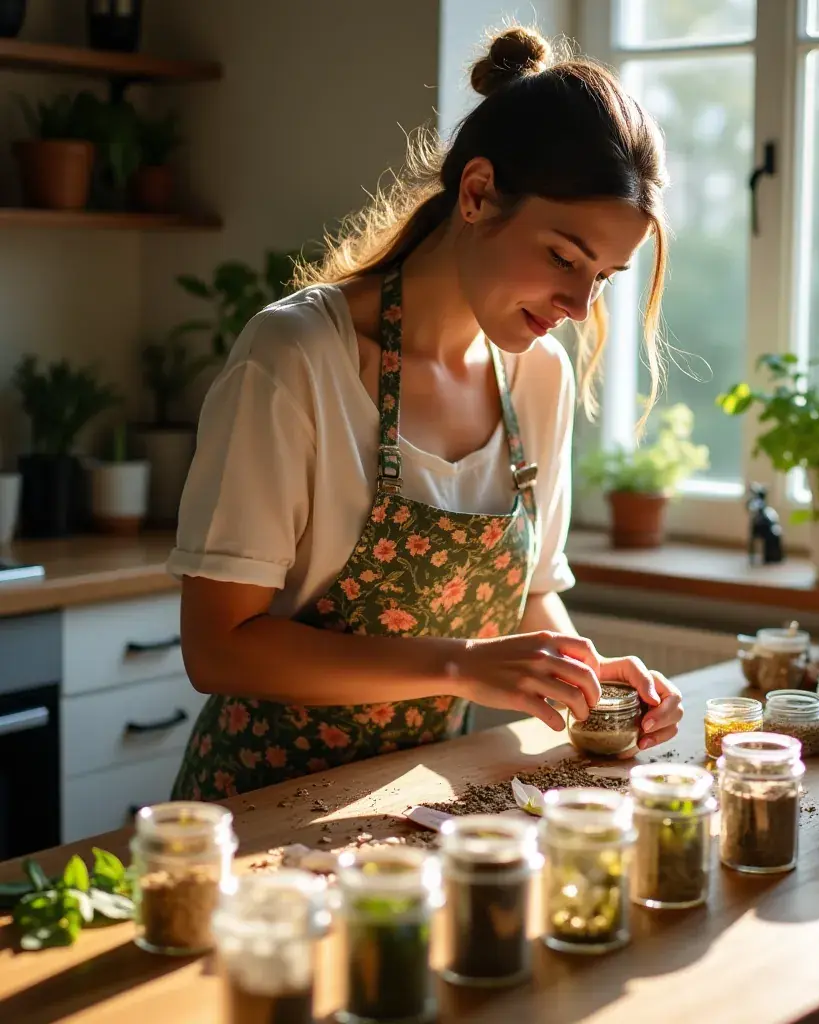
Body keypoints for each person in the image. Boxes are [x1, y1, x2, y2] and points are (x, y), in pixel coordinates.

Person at [168, 26, 684, 801]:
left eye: (605, 276)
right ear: (476, 193)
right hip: (256, 811)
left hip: (412, 800)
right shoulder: (297, 357)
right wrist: (461, 664)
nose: (580, 306)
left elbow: (532, 593)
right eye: (563, 257)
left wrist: (586, 674)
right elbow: (217, 649)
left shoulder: (536, 377)